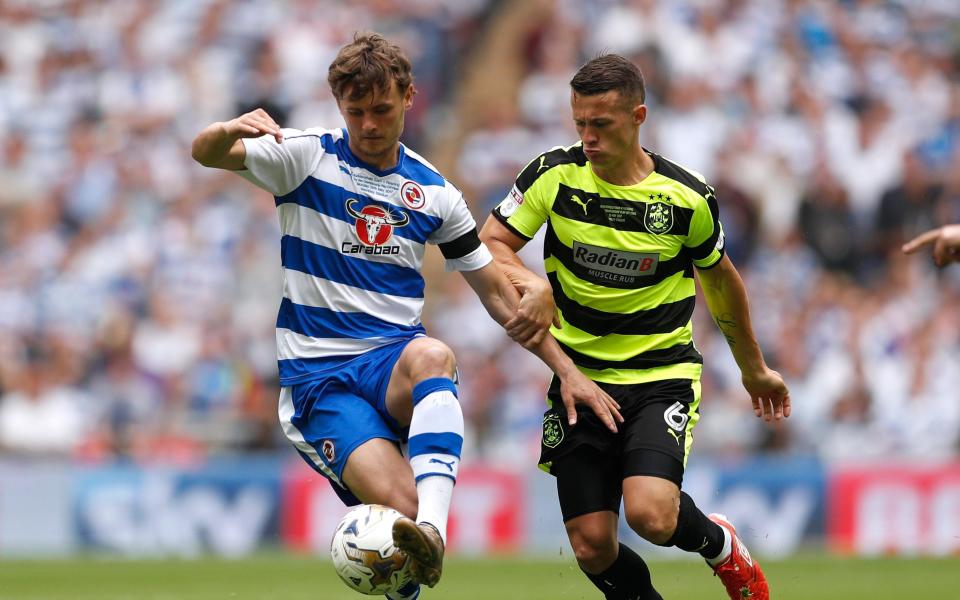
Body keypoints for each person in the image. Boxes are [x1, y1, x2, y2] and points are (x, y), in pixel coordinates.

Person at [191, 32, 620, 599]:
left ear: (410, 96)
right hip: (322, 382)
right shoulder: (304, 156)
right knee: (401, 515)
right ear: (339, 104)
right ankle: (418, 543)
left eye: (382, 109)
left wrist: (564, 369)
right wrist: (226, 130)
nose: (369, 124)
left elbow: (494, 291)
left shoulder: (434, 192)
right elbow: (205, 153)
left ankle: (434, 535)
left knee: (434, 355)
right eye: (356, 111)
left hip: (392, 362)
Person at [479, 54, 790, 600]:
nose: (588, 138)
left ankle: (721, 546)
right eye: (580, 124)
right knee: (591, 546)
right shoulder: (554, 173)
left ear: (638, 116)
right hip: (578, 376)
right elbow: (493, 244)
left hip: (659, 374)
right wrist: (534, 284)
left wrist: (753, 369)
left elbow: (720, 283)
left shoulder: (686, 198)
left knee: (651, 516)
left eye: (602, 124)